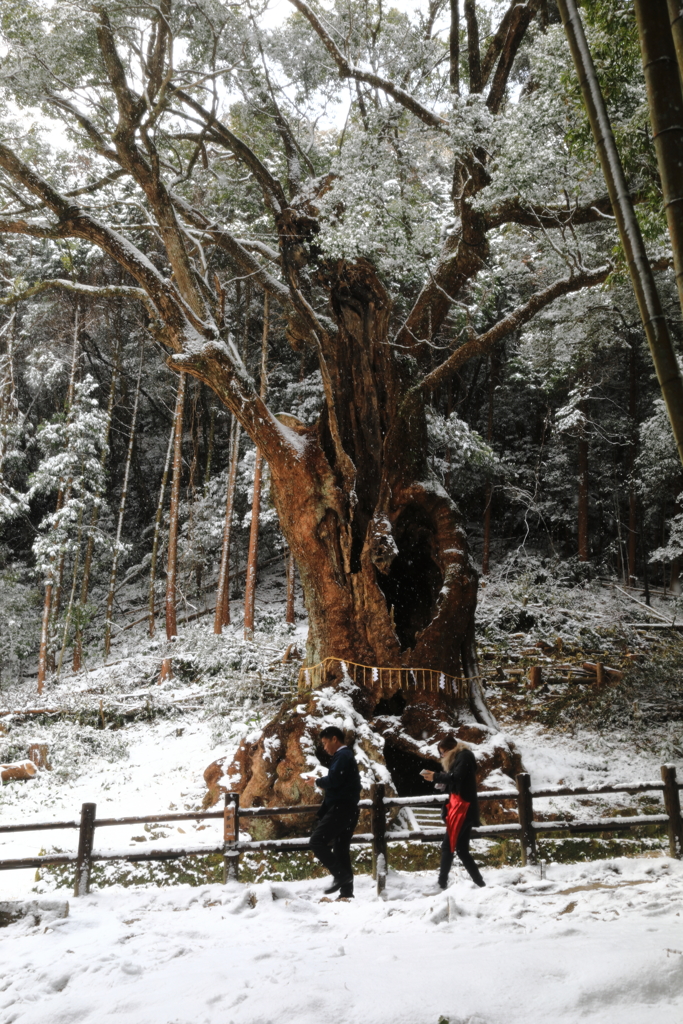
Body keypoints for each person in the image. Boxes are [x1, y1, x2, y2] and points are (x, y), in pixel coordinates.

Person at [421, 738, 485, 890]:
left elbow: (458, 777)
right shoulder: (461, 757)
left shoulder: (464, 756)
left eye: (442, 753)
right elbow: (457, 780)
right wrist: (443, 781)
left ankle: (441, 884)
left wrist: (436, 776)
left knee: (447, 846)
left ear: (450, 749)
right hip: (463, 808)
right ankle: (480, 884)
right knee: (462, 850)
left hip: (463, 809)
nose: (442, 756)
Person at [308, 725, 361, 900]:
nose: (324, 748)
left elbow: (335, 779)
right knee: (340, 849)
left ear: (334, 739)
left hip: (342, 809)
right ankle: (346, 892)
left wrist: (318, 782)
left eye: (325, 743)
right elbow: (340, 781)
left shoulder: (343, 755)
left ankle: (340, 875)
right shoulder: (345, 756)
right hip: (349, 809)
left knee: (316, 841)